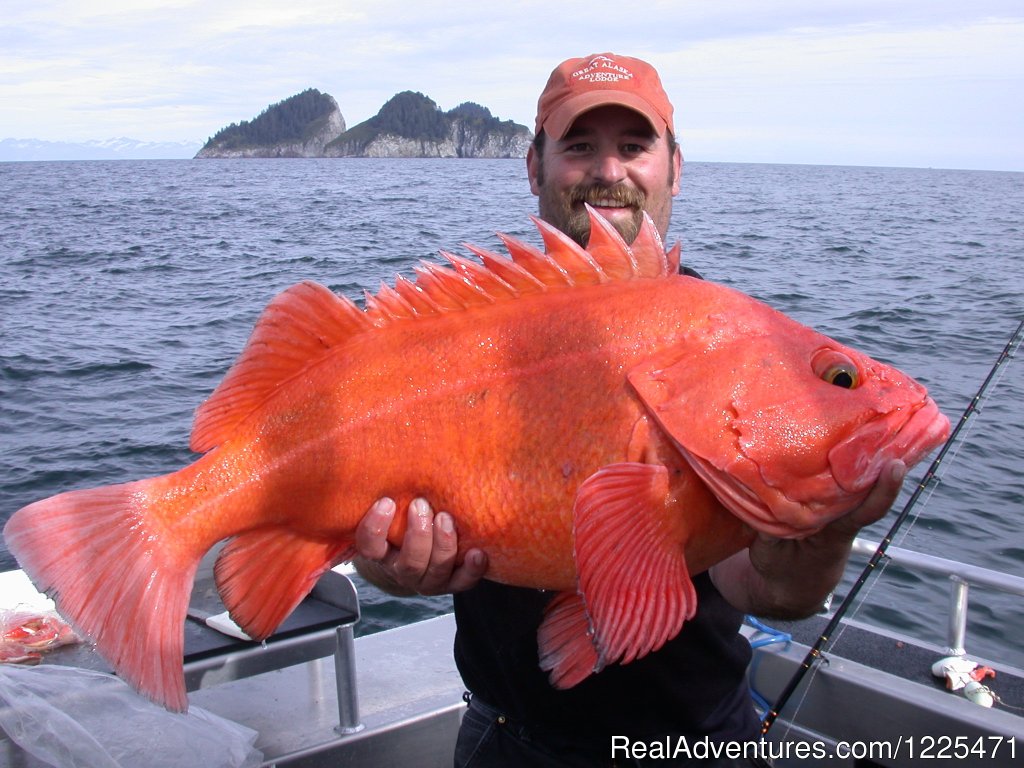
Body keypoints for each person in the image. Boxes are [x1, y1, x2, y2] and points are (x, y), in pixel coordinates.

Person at [353, 53, 906, 767]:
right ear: (534, 165)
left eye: (634, 146)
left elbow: (764, 584)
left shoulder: (728, 342)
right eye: (579, 146)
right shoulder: (466, 332)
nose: (608, 171)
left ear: (675, 166)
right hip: (501, 739)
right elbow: (372, 499)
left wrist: (821, 536)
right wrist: (387, 565)